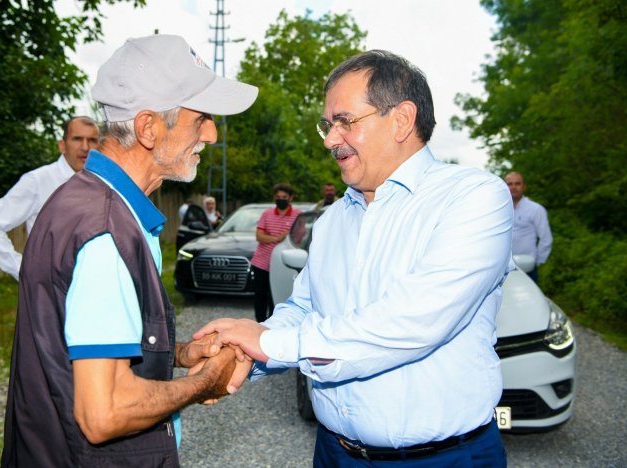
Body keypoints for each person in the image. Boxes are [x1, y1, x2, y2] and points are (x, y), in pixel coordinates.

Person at [195, 50, 513, 466]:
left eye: (345, 122)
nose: (329, 140)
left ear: (401, 119)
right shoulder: (332, 221)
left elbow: (413, 322)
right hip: (333, 453)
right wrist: (242, 352)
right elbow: (304, 309)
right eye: (328, 125)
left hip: (443, 458)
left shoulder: (474, 198)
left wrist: (271, 344)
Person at [1, 34, 258, 467]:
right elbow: (105, 413)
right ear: (148, 128)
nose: (212, 134)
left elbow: (82, 338)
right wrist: (205, 382)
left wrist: (177, 355)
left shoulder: (83, 201)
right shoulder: (105, 233)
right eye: (202, 118)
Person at [0, 116, 99, 280]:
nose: (85, 147)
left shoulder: (102, 184)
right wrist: (25, 272)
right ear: (62, 145)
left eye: (92, 140)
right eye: (77, 139)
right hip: (51, 293)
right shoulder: (38, 181)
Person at [250, 183, 302, 323]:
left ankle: (274, 324)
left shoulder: (298, 215)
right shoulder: (267, 214)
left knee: (278, 296)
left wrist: (271, 237)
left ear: (290, 198)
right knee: (260, 295)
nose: (281, 199)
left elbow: (300, 237)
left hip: (283, 265)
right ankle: (260, 323)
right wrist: (278, 238)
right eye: (278, 197)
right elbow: (259, 236)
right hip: (262, 262)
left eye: (284, 197)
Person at [504, 171, 553, 283]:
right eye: (509, 184)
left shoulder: (535, 209)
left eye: (517, 183)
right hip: (502, 269)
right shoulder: (499, 209)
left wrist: (536, 262)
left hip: (527, 269)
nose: (513, 187)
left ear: (524, 186)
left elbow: (546, 238)